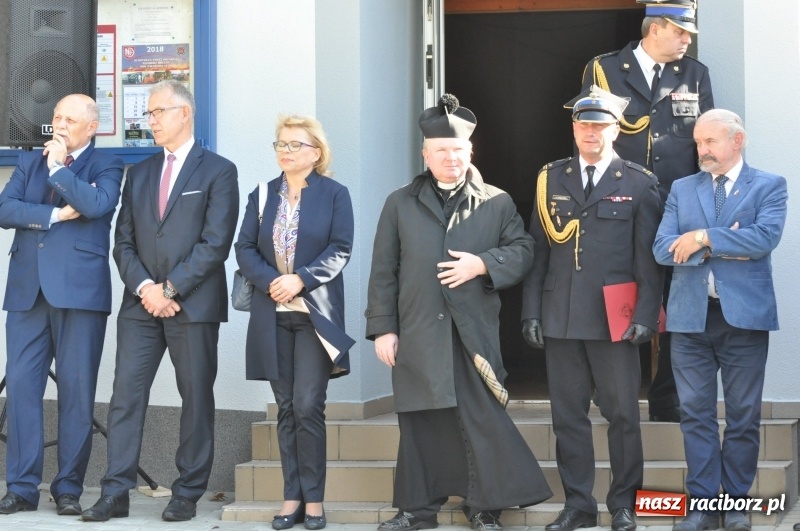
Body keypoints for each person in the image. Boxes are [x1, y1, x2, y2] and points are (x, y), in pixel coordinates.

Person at [366, 94, 551, 531]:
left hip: (472, 330)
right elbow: (383, 271)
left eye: (459, 150)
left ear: (471, 152)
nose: (451, 158)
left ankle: (483, 506)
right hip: (416, 330)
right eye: (442, 151)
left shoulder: (497, 201)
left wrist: (482, 263)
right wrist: (383, 330)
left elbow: (524, 251)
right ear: (426, 155)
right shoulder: (400, 203)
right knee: (420, 421)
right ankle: (416, 510)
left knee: (480, 417)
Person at [81, 80, 239, 522]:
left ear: (184, 113)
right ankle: (115, 491)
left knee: (195, 398)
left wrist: (169, 290)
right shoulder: (142, 171)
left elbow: (215, 242)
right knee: (125, 397)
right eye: (148, 114)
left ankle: (187, 492)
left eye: (158, 112)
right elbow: (123, 241)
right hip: (140, 307)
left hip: (193, 305)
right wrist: (147, 290)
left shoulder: (219, 170)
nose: (150, 121)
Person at [521, 87, 664, 531]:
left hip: (614, 320)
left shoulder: (640, 183)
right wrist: (531, 310)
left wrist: (645, 316)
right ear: (574, 128)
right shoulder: (551, 179)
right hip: (561, 317)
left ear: (616, 129)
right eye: (584, 124)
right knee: (568, 418)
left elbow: (648, 261)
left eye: (600, 125)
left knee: (622, 415)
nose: (591, 132)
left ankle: (624, 503)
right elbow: (538, 252)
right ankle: (578, 505)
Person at [579, 0, 714, 423]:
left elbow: (705, 142)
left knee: (679, 300)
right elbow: (592, 132)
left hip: (678, 205)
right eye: (680, 31)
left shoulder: (694, 73)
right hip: (621, 200)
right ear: (655, 28)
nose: (687, 40)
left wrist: (706, 206)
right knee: (621, 292)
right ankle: (613, 390)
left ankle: (667, 399)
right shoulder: (604, 69)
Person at [653, 109, 787, 531]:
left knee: (744, 415)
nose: (702, 151)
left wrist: (701, 237)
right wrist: (724, 240)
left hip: (744, 321)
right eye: (698, 143)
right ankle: (702, 504)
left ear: (738, 140)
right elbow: (660, 248)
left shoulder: (768, 185)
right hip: (690, 319)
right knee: (695, 413)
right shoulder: (681, 187)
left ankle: (734, 502)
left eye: (710, 142)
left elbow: (764, 238)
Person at [0, 94, 123, 516]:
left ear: (92, 127)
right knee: (20, 387)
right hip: (26, 291)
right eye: (56, 117)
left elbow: (97, 204)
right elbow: (4, 208)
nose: (61, 125)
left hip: (80, 293)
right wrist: (52, 216)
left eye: (70, 119)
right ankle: (21, 486)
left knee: (76, 390)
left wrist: (58, 169)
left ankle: (68, 486)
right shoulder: (28, 160)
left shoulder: (106, 165)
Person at [234, 115, 354, 531]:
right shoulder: (263, 195)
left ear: (316, 152)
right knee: (286, 408)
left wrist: (300, 279)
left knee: (307, 406)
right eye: (280, 144)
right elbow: (244, 247)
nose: (285, 151)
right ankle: (292, 497)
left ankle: (315, 500)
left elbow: (341, 249)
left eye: (294, 145)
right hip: (272, 315)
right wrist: (273, 283)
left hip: (314, 318)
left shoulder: (335, 194)